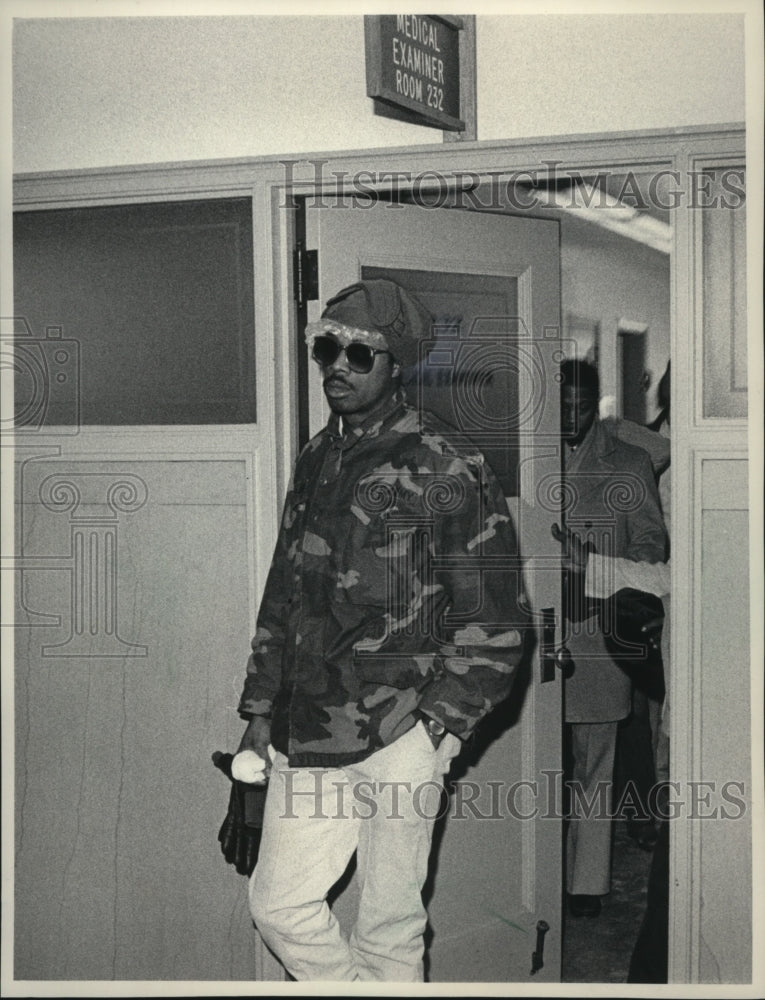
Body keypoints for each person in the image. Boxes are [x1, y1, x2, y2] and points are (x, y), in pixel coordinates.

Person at [236, 278, 529, 981]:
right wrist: (256, 709)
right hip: (307, 726)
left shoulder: (443, 463)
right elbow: (285, 592)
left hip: (401, 730)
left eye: (358, 355)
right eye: (326, 349)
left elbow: (495, 618)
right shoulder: (317, 458)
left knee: (390, 926)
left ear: (396, 365)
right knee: (279, 904)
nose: (336, 366)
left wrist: (438, 727)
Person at [558, 359, 666, 919]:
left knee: (594, 762)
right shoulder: (528, 458)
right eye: (562, 402)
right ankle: (539, 877)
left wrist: (613, 568)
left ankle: (586, 883)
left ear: (595, 402)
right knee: (539, 762)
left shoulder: (630, 461)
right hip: (543, 633)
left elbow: (651, 541)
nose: (570, 414)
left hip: (598, 634)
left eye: (580, 404)